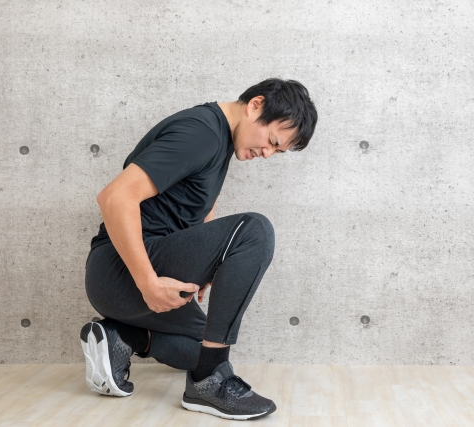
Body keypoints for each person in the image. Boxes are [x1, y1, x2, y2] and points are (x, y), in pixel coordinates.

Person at [80, 78, 318, 420]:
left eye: (276, 152)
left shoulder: (220, 141)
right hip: (119, 270)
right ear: (256, 105)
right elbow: (114, 197)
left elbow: (202, 205)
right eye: (272, 141)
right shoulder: (201, 133)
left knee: (203, 348)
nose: (267, 154)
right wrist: (148, 282)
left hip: (133, 274)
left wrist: (209, 262)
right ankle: (207, 385)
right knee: (256, 231)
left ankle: (123, 337)